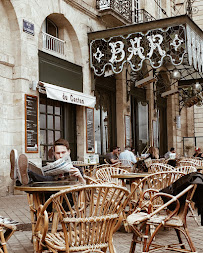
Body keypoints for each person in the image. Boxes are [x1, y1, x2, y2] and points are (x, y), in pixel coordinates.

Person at [10, 138, 85, 185]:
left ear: (69, 152)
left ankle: (21, 173)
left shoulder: (76, 169)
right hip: (47, 201)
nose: (61, 156)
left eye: (63, 152)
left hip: (66, 201)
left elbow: (85, 189)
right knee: (39, 178)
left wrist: (80, 178)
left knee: (48, 179)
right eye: (58, 153)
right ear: (54, 154)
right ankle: (20, 173)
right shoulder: (50, 167)